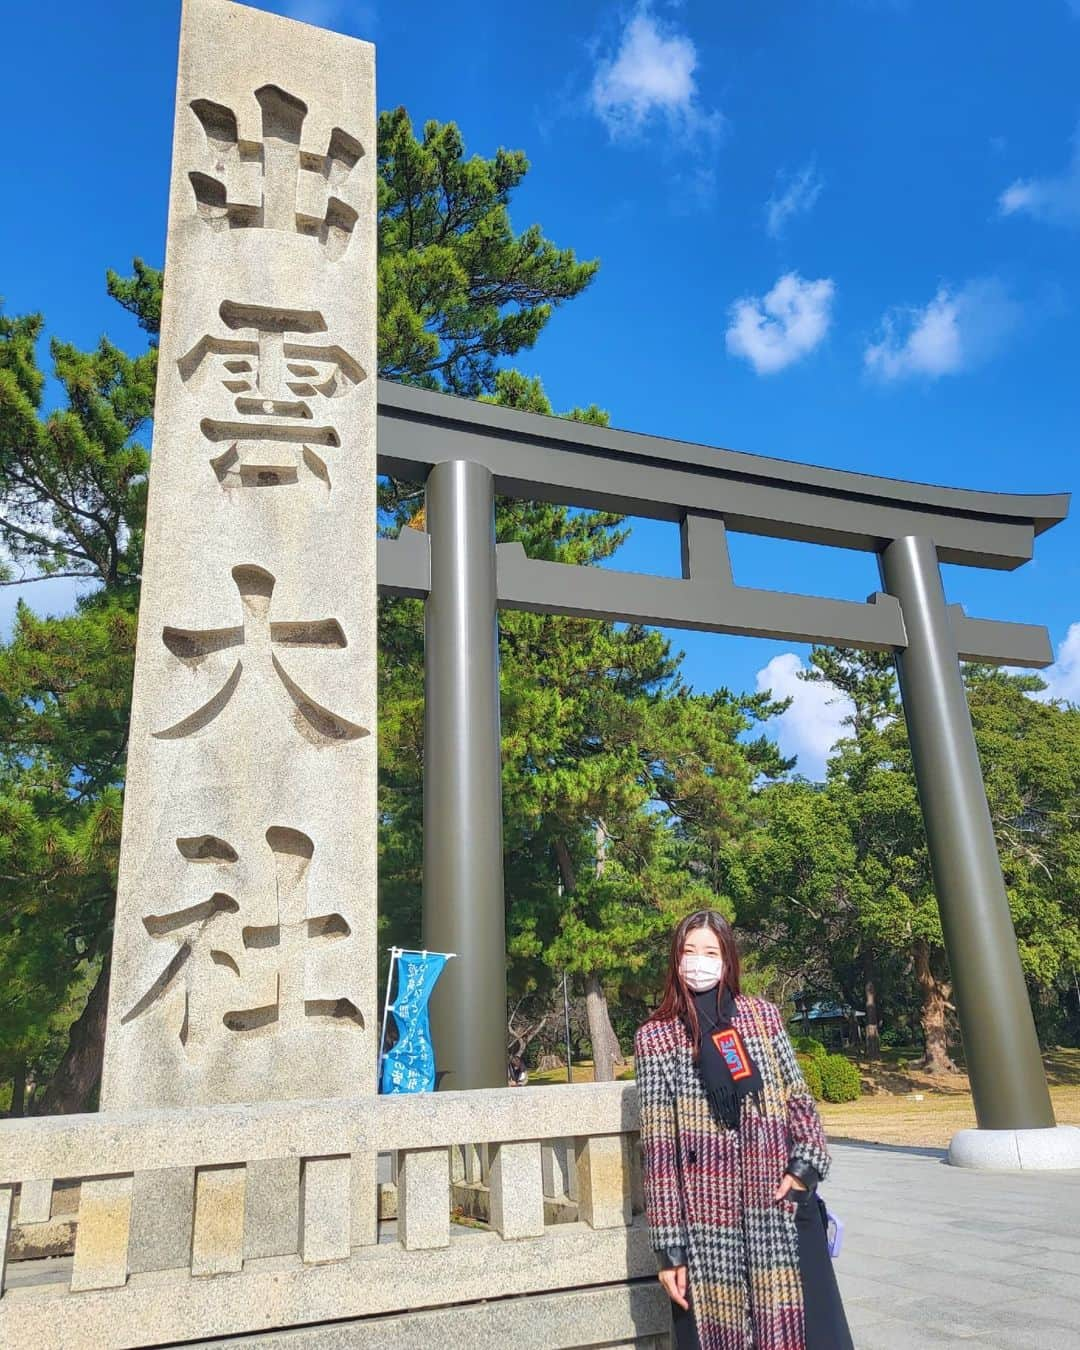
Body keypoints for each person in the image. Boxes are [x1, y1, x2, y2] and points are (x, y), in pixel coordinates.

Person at [634, 909, 853, 1350]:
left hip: (777, 1203)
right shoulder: (655, 1036)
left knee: (807, 1334)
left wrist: (803, 1170)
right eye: (688, 952)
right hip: (705, 1221)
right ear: (675, 962)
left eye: (710, 951)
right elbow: (658, 1150)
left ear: (727, 959)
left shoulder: (761, 1017)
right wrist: (669, 1248)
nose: (698, 961)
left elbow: (799, 1100)